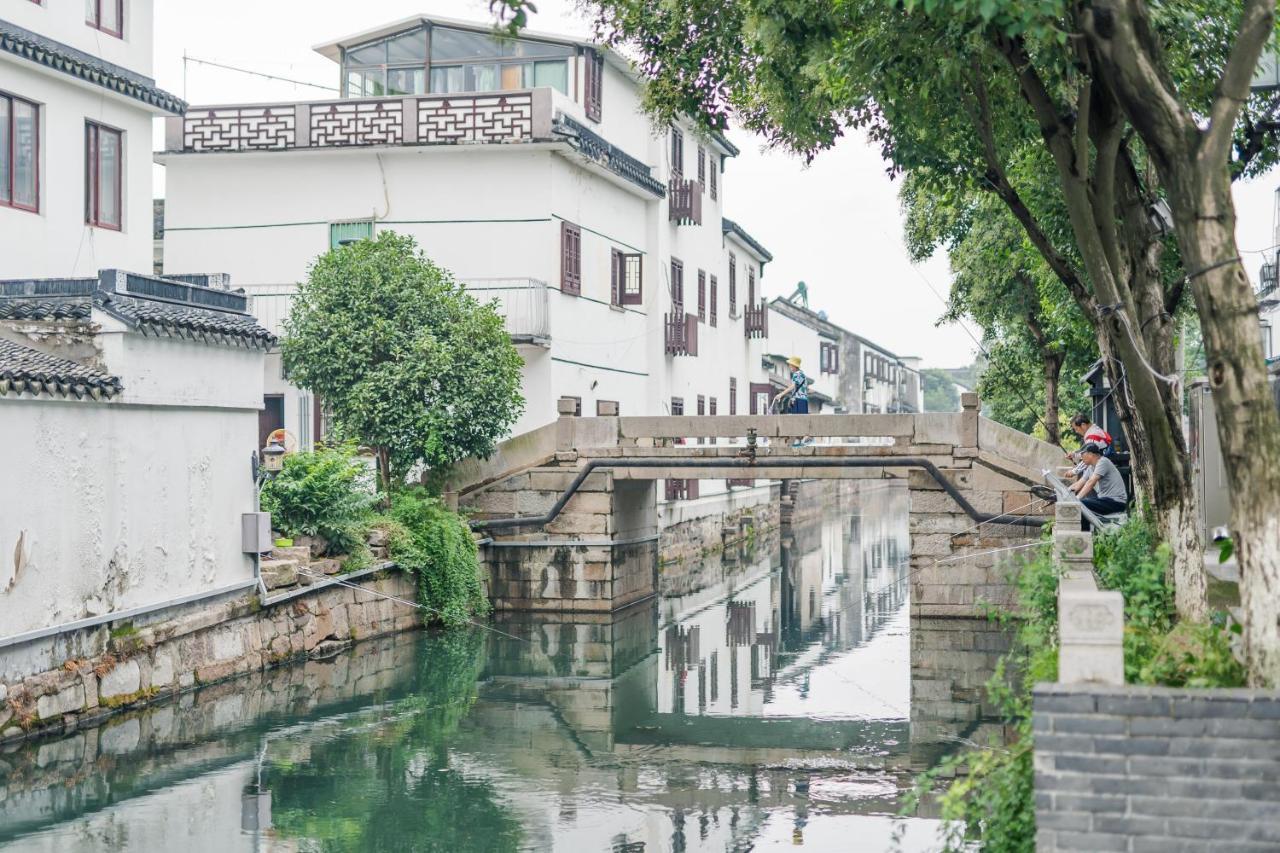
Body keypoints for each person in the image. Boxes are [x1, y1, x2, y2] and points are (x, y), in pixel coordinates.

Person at [1074, 442, 1128, 521]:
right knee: (1083, 502)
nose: (1081, 457)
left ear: (1091, 454)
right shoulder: (1090, 468)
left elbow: (1091, 482)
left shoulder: (1103, 462)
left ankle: (1085, 532)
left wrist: (1077, 498)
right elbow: (1078, 484)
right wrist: (1063, 492)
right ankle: (1086, 531)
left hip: (1116, 502)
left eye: (1082, 454)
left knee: (1082, 504)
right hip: (1105, 500)